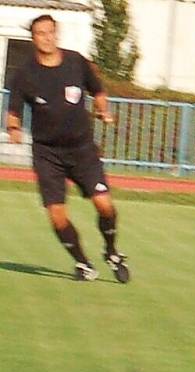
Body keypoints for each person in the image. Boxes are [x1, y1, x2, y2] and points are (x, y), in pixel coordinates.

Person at [5, 14, 130, 283]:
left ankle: (111, 252)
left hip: (82, 149)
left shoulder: (76, 61)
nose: (47, 37)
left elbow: (98, 91)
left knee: (105, 206)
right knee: (57, 216)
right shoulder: (25, 74)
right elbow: (13, 110)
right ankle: (83, 264)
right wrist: (14, 129)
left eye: (51, 32)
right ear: (33, 38)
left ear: (56, 33)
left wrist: (103, 110)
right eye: (41, 33)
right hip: (47, 153)